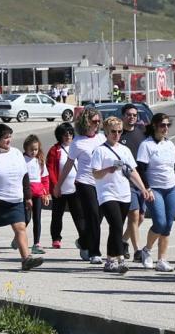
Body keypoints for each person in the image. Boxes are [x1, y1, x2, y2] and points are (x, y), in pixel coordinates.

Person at [0, 124, 45, 272]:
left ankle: (26, 259)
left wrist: (28, 197)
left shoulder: (17, 154)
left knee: (20, 227)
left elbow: (25, 177)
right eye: (5, 137)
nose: (9, 139)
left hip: (15, 200)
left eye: (10, 136)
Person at [89, 117, 152, 274]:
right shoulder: (100, 150)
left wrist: (143, 188)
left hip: (124, 193)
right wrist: (108, 169)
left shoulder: (125, 150)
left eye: (119, 132)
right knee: (117, 224)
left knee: (116, 228)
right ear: (106, 132)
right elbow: (95, 174)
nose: (116, 135)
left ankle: (109, 260)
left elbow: (132, 171)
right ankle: (120, 259)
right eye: (113, 132)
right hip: (107, 193)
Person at [54, 108, 105, 264]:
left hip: (102, 183)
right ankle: (95, 252)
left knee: (98, 217)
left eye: (98, 121)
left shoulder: (102, 138)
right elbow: (69, 165)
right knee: (94, 216)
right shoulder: (78, 142)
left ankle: (83, 241)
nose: (97, 124)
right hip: (84, 182)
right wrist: (58, 185)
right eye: (93, 121)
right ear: (85, 122)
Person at [136, 113, 175, 272]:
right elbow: (140, 170)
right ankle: (146, 250)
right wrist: (146, 188)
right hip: (154, 189)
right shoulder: (146, 145)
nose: (166, 128)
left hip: (170, 189)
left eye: (168, 125)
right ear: (154, 125)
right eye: (163, 125)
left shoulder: (170, 144)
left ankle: (162, 259)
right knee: (160, 223)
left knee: (168, 225)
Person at [117, 104, 148, 262]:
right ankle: (137, 251)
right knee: (134, 215)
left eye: (134, 115)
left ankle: (123, 241)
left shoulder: (142, 132)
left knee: (141, 217)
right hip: (125, 181)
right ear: (123, 116)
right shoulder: (118, 134)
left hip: (141, 180)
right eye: (129, 114)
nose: (132, 117)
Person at [45, 123, 81, 250]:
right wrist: (56, 187)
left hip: (75, 188)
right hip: (59, 189)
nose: (68, 136)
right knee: (57, 215)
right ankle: (56, 238)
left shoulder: (76, 147)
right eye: (65, 134)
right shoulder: (55, 150)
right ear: (60, 136)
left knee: (78, 215)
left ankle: (83, 237)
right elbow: (50, 169)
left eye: (70, 134)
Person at [21, 134, 50, 257]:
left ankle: (36, 243)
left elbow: (45, 179)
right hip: (25, 194)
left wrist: (46, 193)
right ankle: (19, 235)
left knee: (37, 219)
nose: (34, 152)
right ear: (26, 148)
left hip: (38, 194)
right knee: (26, 218)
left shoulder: (40, 161)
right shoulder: (21, 160)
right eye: (31, 149)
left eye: (36, 149)